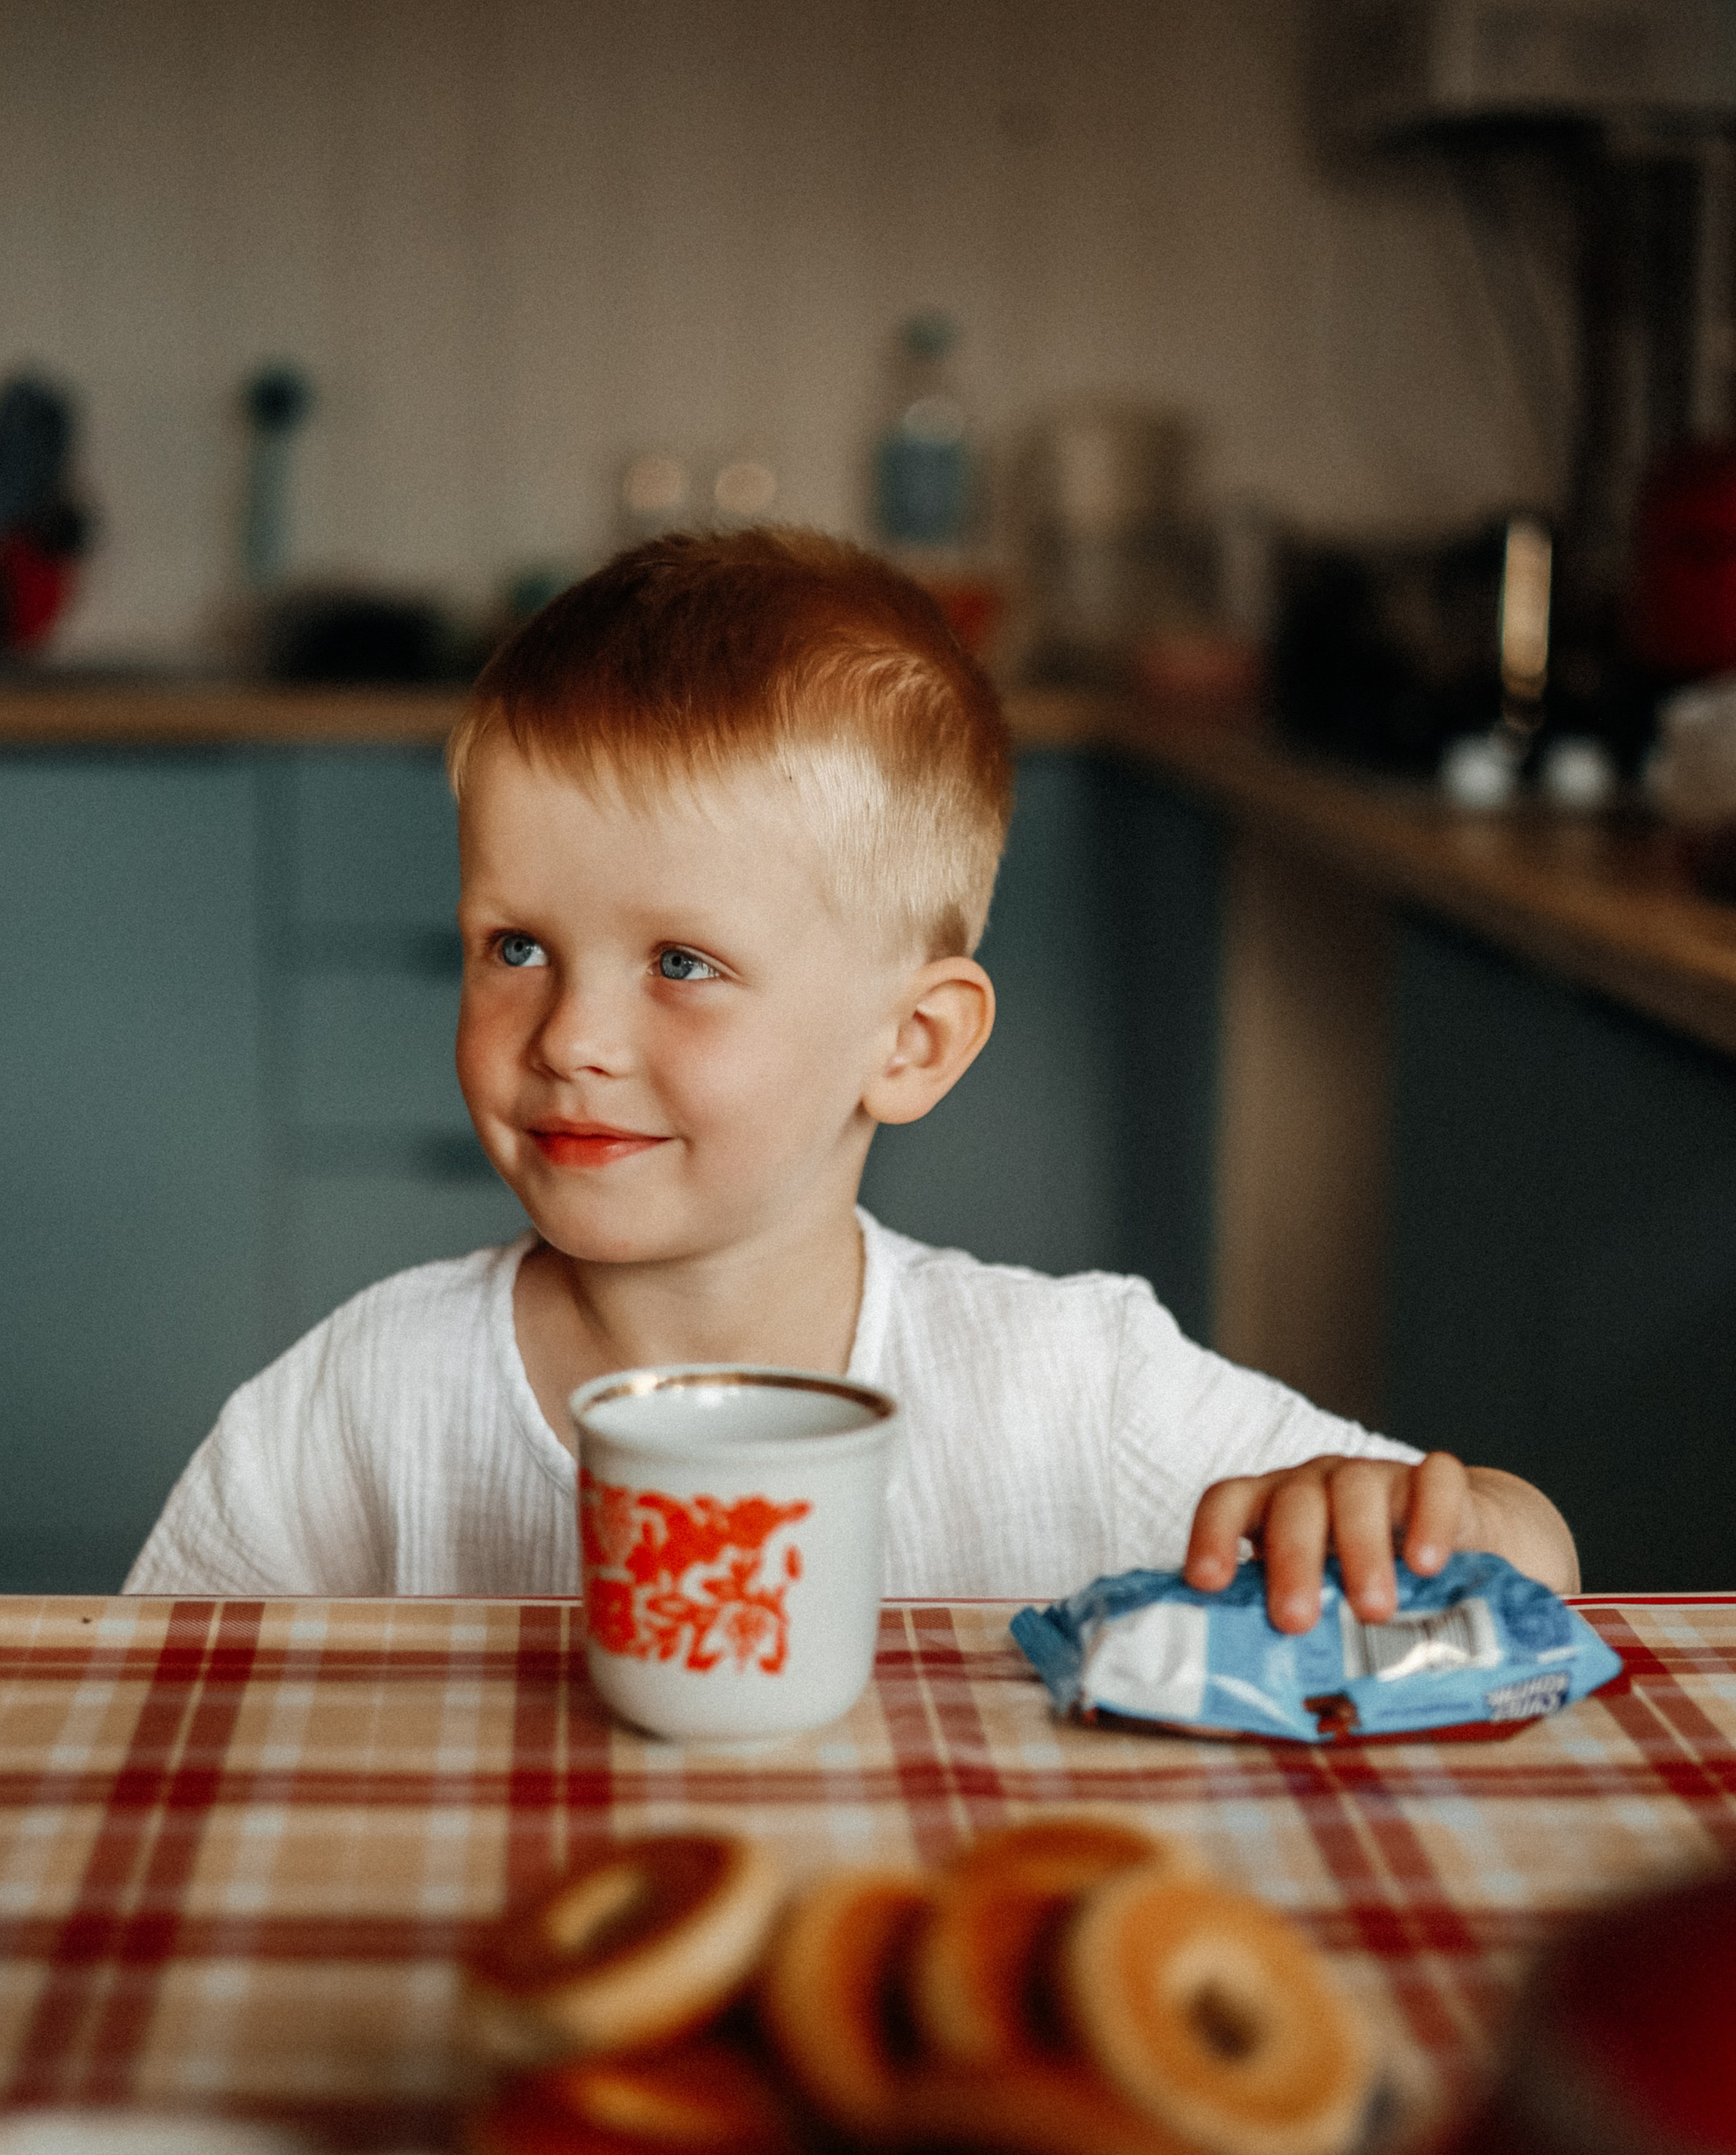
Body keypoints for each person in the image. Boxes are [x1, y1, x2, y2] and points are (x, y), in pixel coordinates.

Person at [125, 528, 1576, 1624]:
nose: (569, 1034)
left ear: (912, 1043)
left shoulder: (1065, 1388)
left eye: (680, 963)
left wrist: (1390, 1520)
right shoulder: (364, 1402)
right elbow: (138, 1706)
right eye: (515, 943)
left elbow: (1535, 1563)